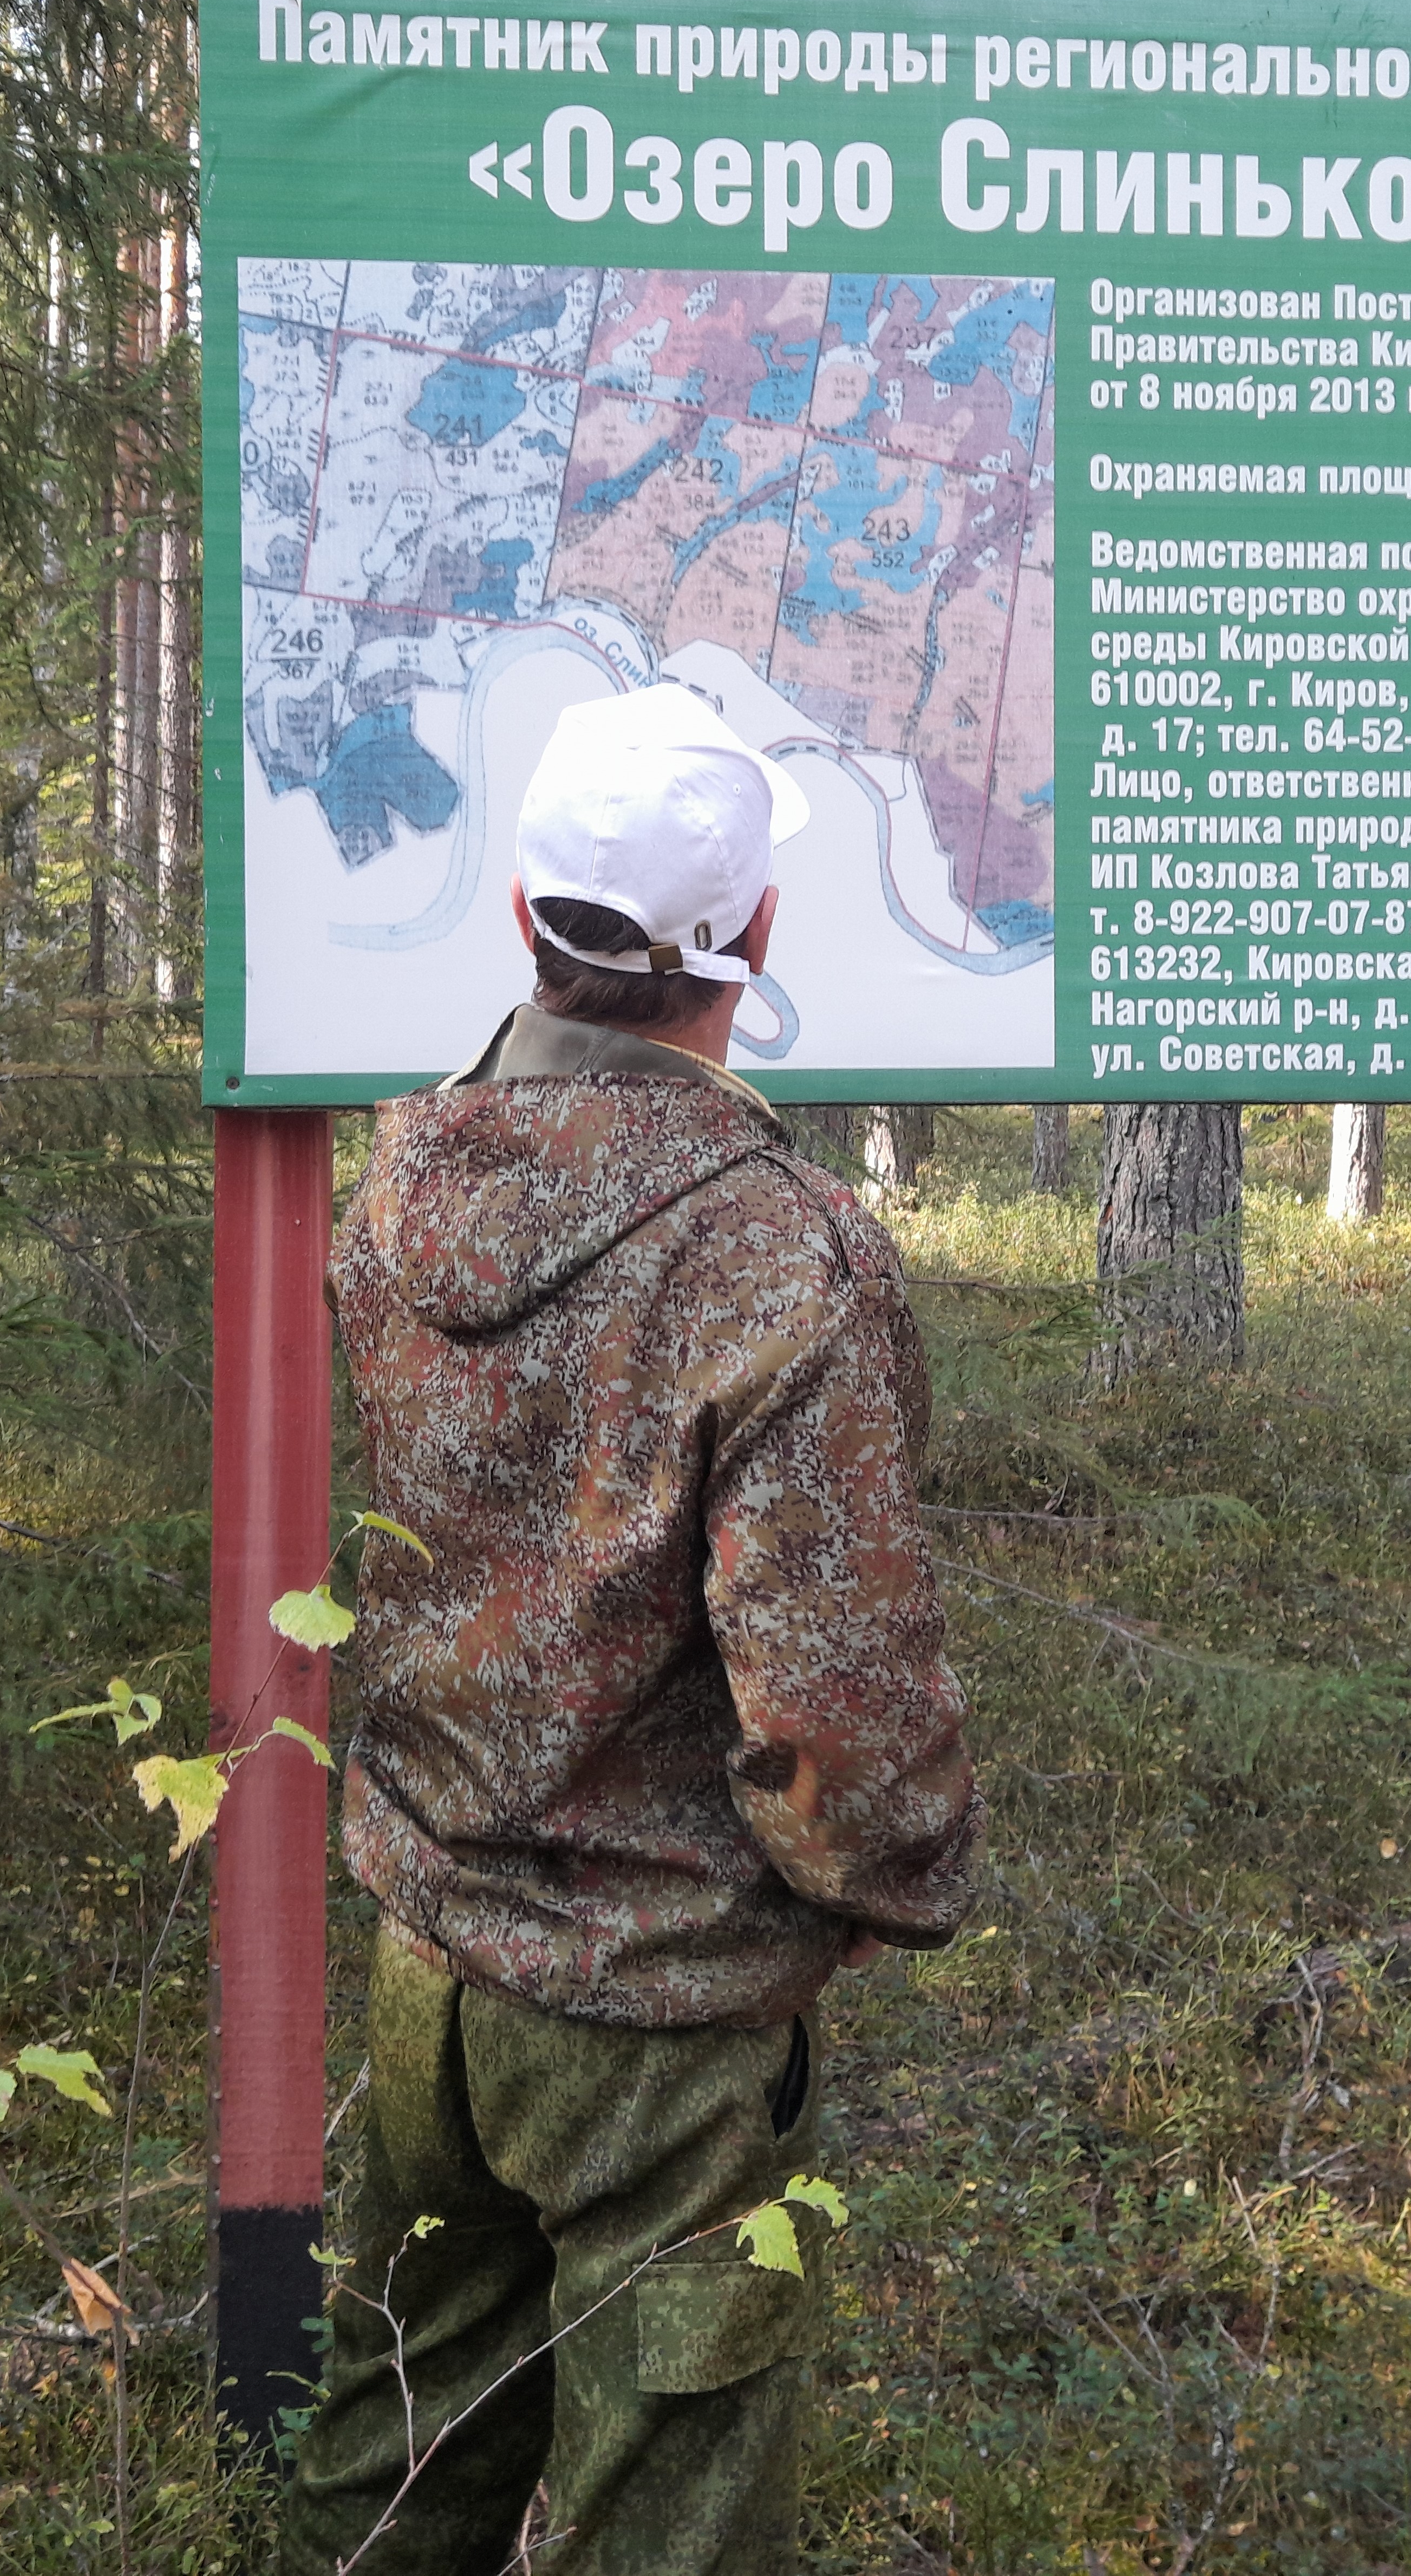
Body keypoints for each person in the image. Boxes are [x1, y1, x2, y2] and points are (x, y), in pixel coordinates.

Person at [282, 682, 984, 2576]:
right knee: (662, 2508)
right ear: (751, 940)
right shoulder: (777, 1247)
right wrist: (882, 1882)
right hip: (662, 2014)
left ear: (525, 919)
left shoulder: (404, 1176)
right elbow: (832, 1695)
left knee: (401, 2446)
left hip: (432, 1954)